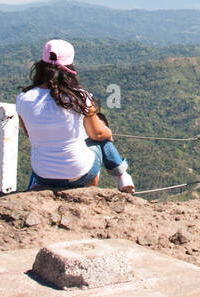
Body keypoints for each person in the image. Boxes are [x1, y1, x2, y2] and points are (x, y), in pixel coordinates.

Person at [16, 39, 134, 193]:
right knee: (99, 138)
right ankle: (122, 176)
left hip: (42, 175)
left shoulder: (23, 98)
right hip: (79, 173)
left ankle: (33, 186)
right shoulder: (79, 97)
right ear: (70, 67)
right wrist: (108, 132)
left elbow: (29, 133)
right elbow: (97, 133)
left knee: (43, 147)